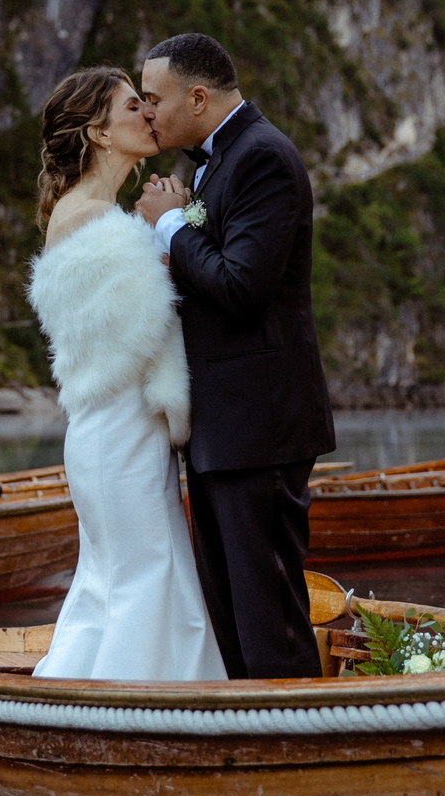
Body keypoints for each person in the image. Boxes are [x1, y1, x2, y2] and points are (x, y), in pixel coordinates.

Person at [134, 33, 334, 679]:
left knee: (268, 619)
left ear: (198, 97)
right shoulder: (212, 162)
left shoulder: (263, 157)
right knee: (231, 620)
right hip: (224, 427)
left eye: (154, 98)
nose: (148, 112)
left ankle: (294, 734)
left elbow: (243, 286)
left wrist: (170, 224)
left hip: (259, 426)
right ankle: (249, 732)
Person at [25, 67, 227, 682]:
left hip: (111, 430)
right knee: (145, 574)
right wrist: (171, 229)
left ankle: (89, 697)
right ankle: (130, 706)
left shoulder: (91, 214)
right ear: (99, 133)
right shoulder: (92, 217)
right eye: (133, 106)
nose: (149, 114)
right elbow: (151, 330)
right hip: (119, 433)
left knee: (112, 580)